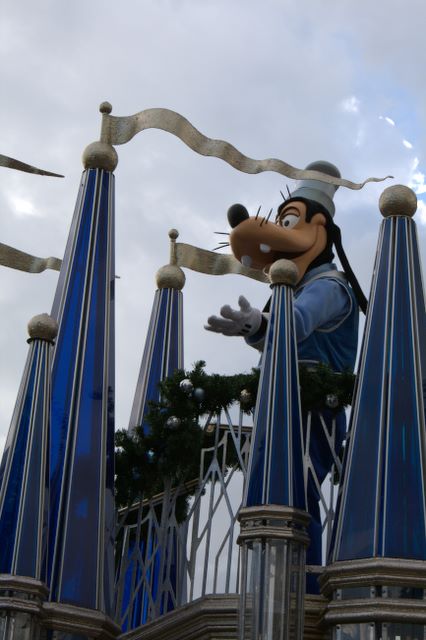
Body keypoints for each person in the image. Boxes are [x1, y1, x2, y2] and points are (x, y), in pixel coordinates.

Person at [205, 161, 366, 592]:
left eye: (289, 221)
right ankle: (275, 586)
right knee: (273, 499)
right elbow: (279, 334)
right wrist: (256, 328)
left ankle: (302, 587)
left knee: (296, 498)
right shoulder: (296, 288)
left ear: (318, 227)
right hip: (283, 407)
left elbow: (295, 324)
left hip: (312, 411)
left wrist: (259, 324)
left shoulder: (330, 287)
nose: (281, 232)